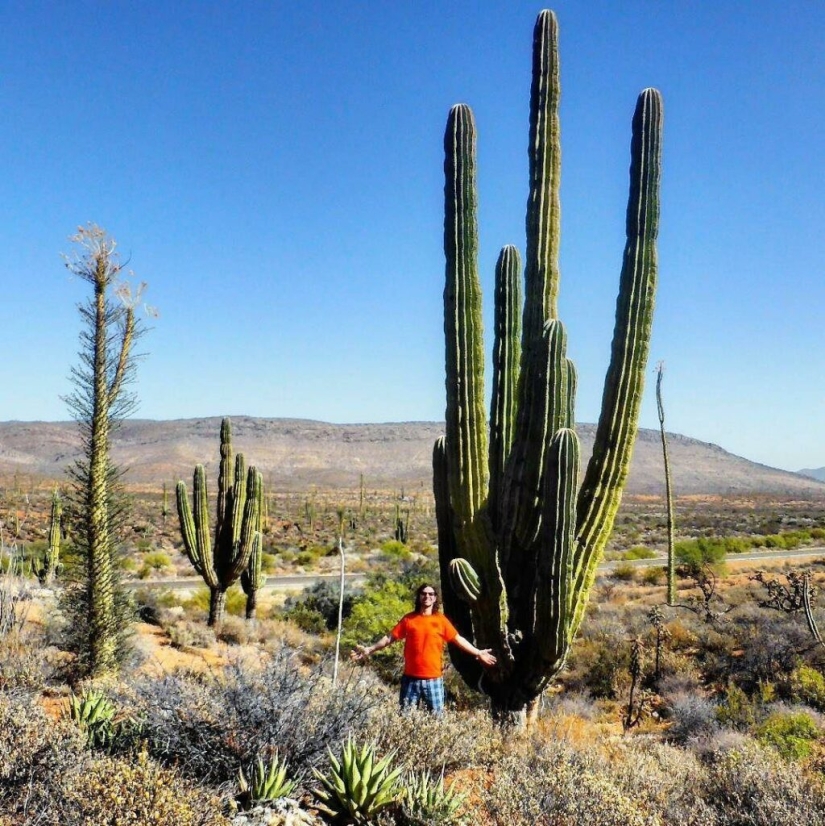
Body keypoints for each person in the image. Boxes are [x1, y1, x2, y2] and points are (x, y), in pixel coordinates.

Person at [351, 583, 496, 713]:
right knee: (405, 718)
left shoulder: (441, 620)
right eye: (424, 593)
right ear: (419, 597)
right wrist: (370, 649)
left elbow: (458, 639)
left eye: (430, 594)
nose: (427, 596)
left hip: (433, 679)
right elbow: (389, 638)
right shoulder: (409, 619)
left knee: (437, 719)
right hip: (410, 679)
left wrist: (478, 652)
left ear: (435, 599)